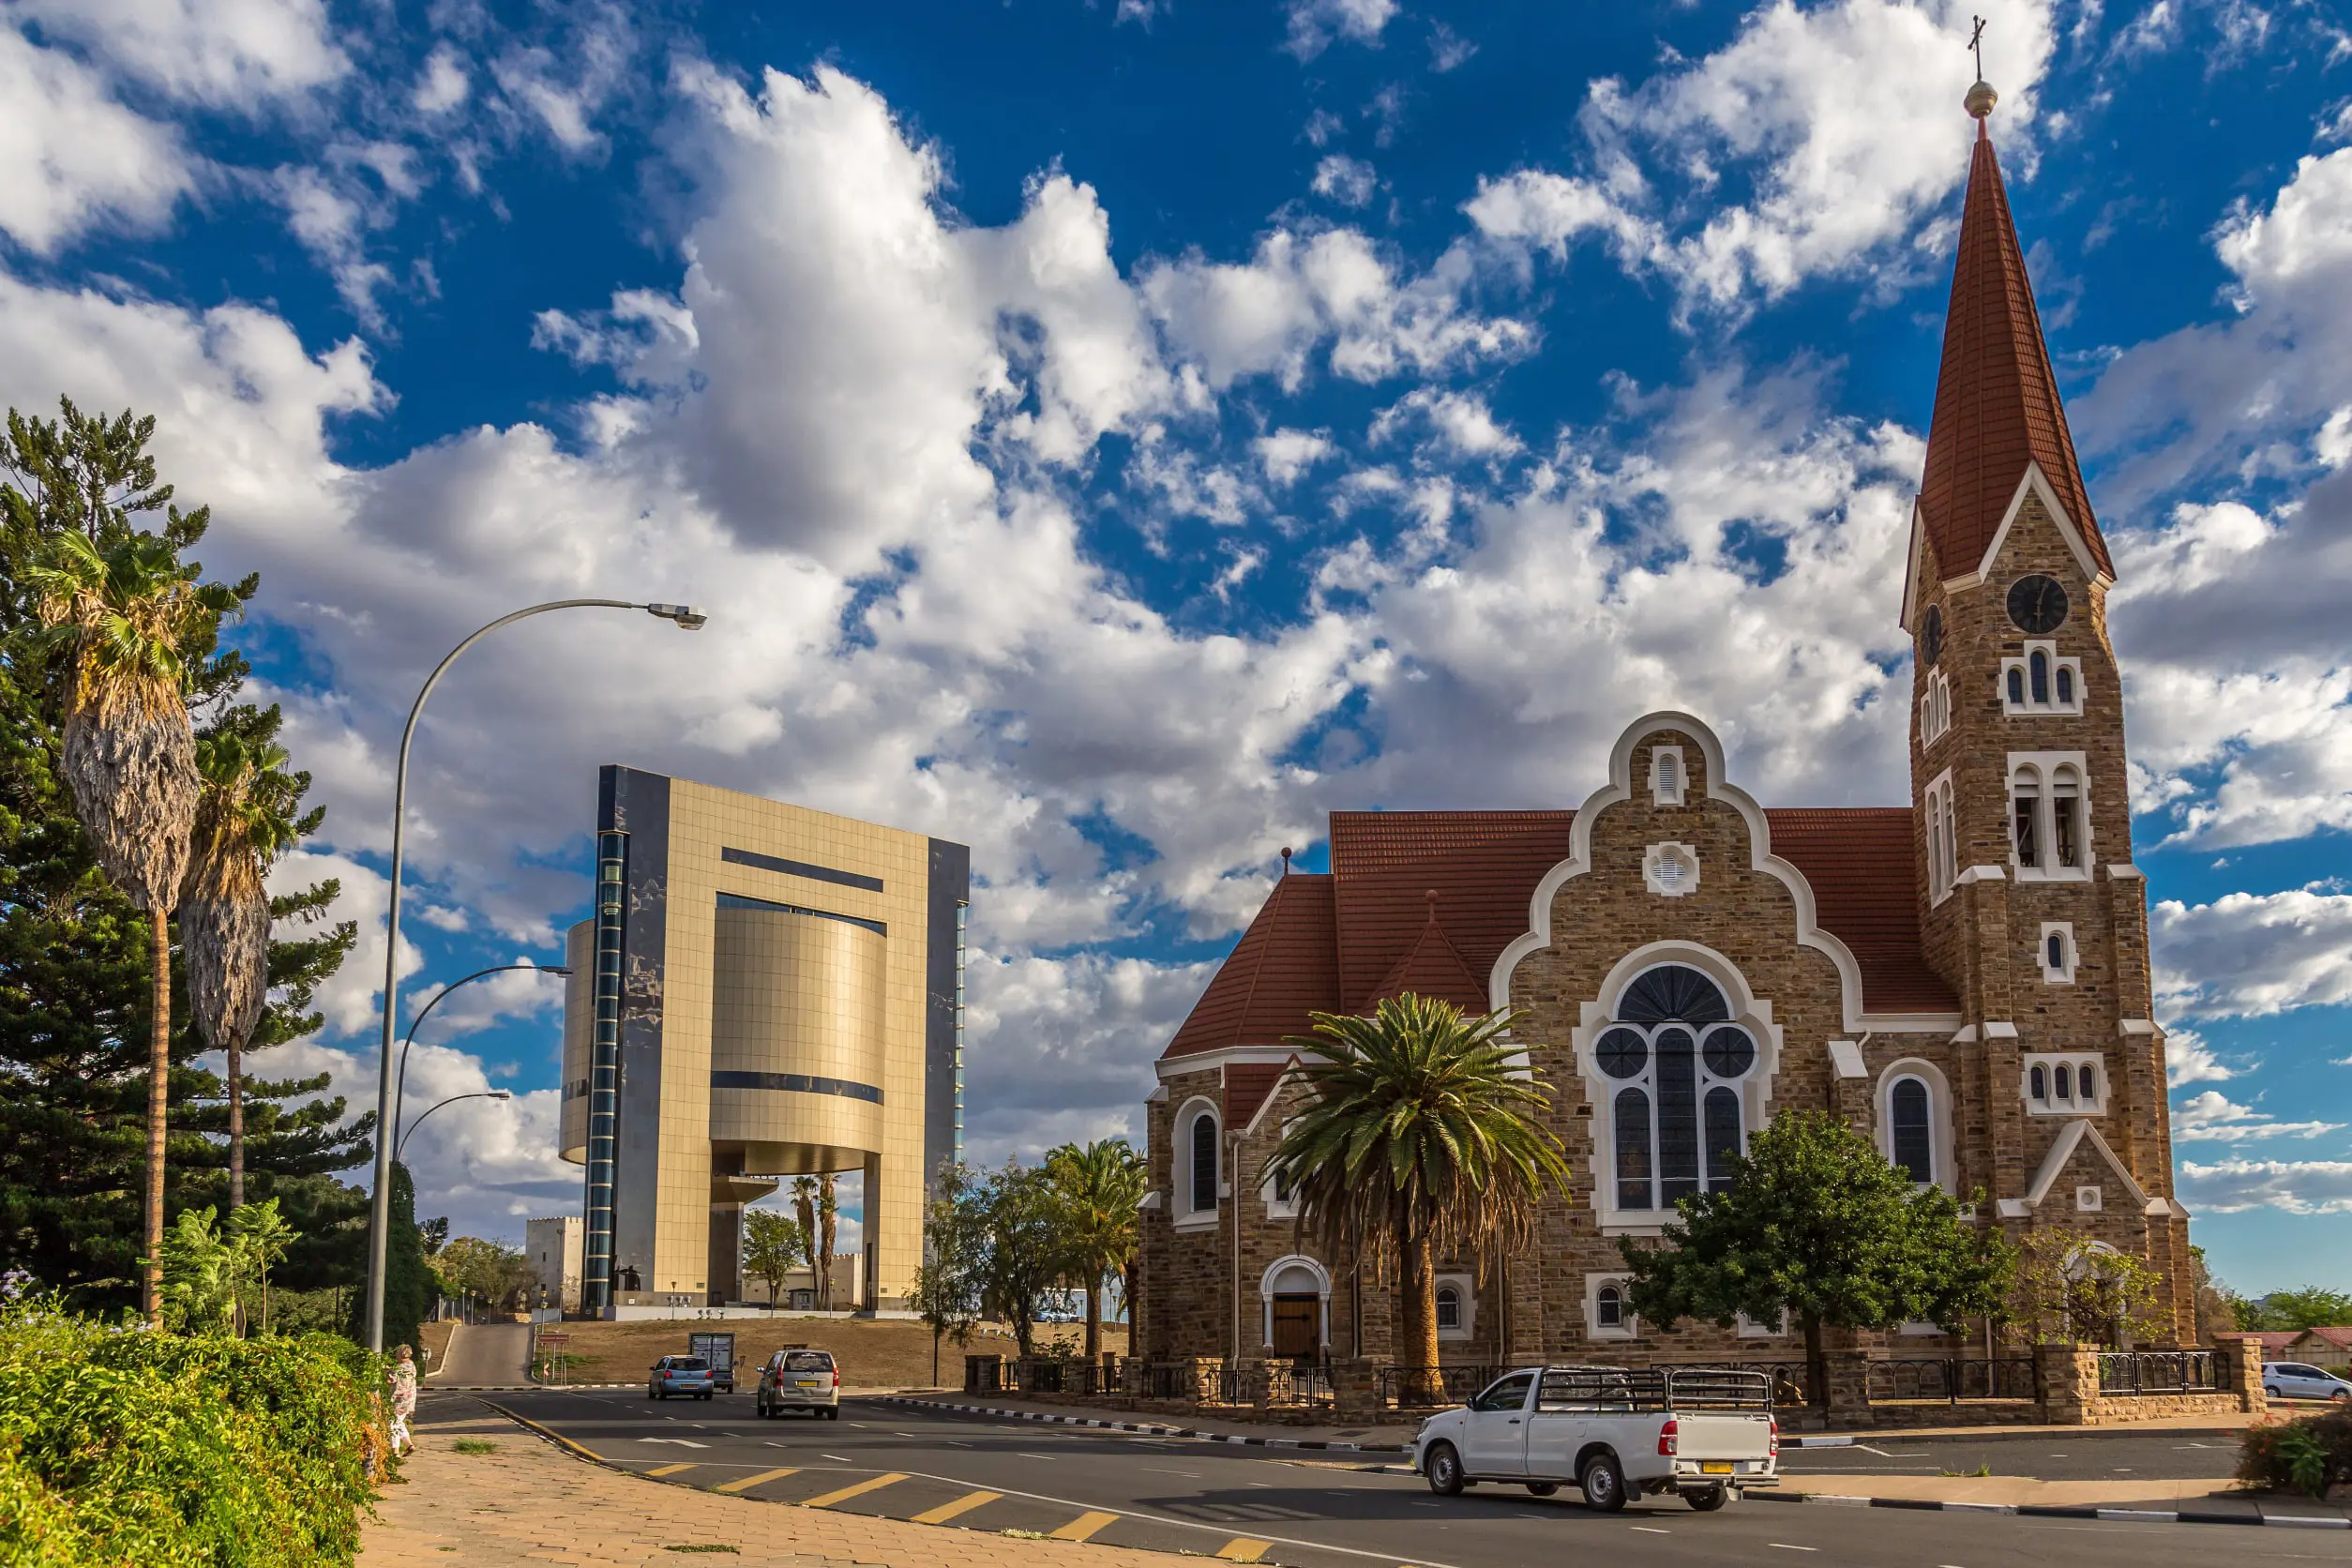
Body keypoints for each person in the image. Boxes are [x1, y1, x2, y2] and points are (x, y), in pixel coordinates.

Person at [388, 1344, 419, 1455]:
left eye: (396, 1353)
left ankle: (395, 1453)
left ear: (401, 1354)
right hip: (409, 1400)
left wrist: (386, 1371)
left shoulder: (399, 1367)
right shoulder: (411, 1365)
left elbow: (391, 1380)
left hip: (399, 1400)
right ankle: (409, 1445)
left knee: (392, 1424)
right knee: (399, 1422)